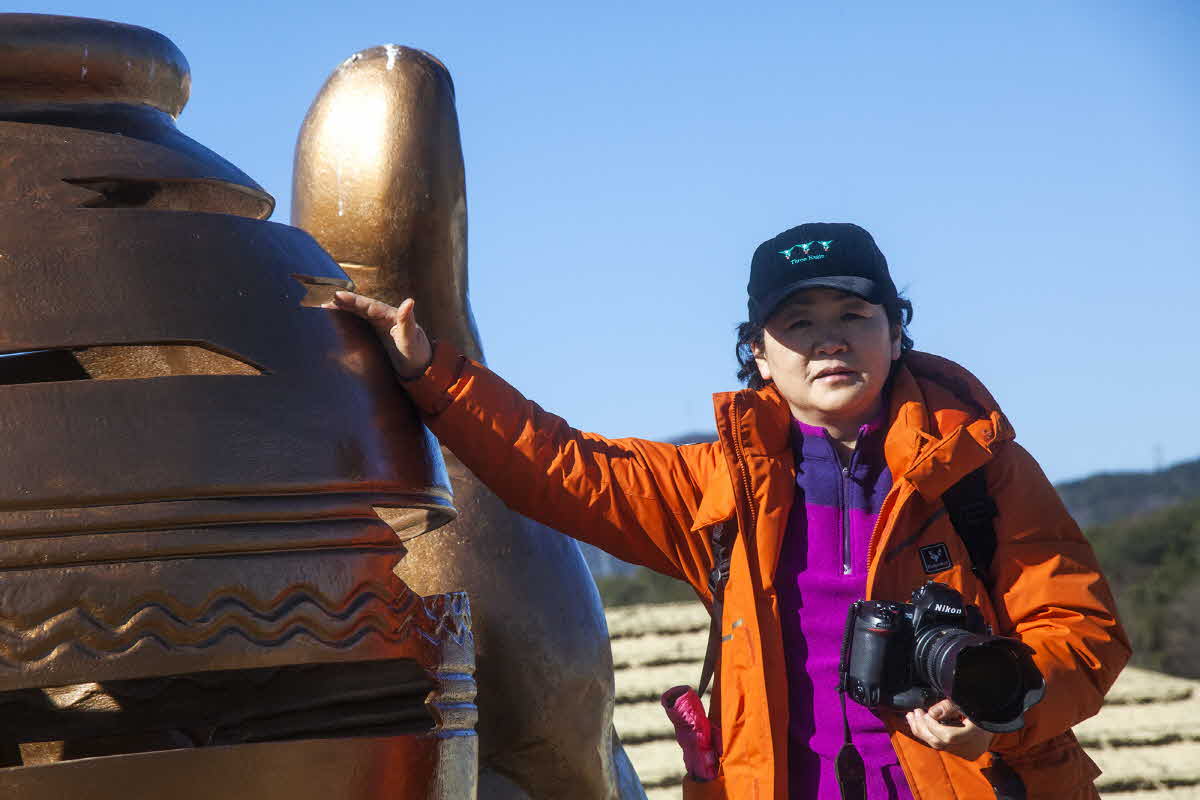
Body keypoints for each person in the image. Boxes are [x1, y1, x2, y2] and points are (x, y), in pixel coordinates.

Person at [325, 222, 1129, 799]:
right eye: (799, 324)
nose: (829, 342)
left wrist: (1001, 710)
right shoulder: (719, 488)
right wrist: (431, 372)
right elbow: (561, 465)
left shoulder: (981, 473)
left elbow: (1082, 630)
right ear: (760, 353)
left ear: (895, 334)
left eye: (854, 316)